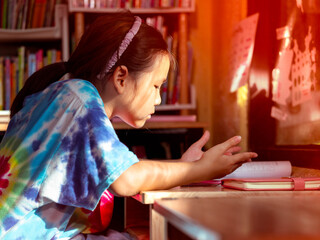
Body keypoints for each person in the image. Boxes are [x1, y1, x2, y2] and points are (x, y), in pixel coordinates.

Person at [0, 11, 257, 239]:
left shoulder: (58, 92)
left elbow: (123, 172)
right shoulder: (80, 96)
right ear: (121, 77)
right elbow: (126, 179)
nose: (158, 98)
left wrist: (183, 167)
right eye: (156, 86)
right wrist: (201, 170)